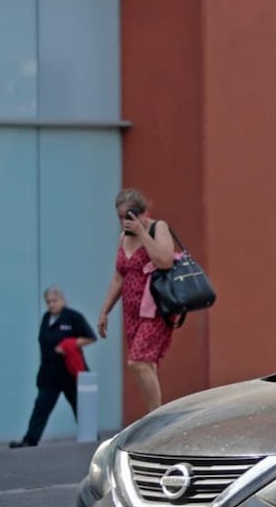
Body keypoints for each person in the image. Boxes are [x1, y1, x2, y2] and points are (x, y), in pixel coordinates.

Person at [97, 188, 176, 418]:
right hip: (131, 312)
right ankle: (155, 414)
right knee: (146, 364)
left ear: (143, 213)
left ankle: (156, 416)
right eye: (120, 217)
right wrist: (104, 311)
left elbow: (165, 261)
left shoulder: (156, 228)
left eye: (129, 216)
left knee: (138, 361)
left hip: (155, 309)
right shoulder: (123, 237)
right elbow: (118, 278)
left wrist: (142, 233)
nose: (124, 221)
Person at [10, 286, 97, 448]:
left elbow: (90, 337)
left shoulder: (73, 317)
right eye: (48, 301)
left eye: (54, 300)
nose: (51, 304)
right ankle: (30, 439)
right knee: (41, 406)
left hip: (69, 373)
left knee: (79, 406)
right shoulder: (46, 318)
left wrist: (69, 344)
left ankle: (91, 437)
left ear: (63, 300)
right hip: (49, 373)